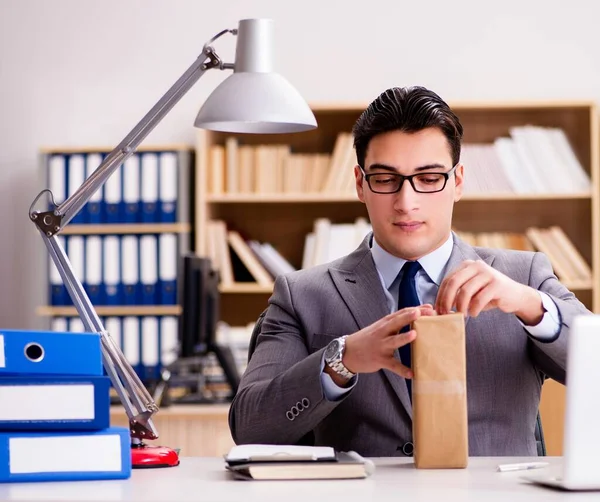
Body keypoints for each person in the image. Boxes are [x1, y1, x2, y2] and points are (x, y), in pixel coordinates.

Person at [228, 86, 591, 456]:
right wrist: (342, 360)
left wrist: (533, 307)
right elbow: (251, 428)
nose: (406, 203)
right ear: (360, 184)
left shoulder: (524, 276)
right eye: (385, 180)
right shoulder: (302, 294)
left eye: (429, 179)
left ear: (458, 182)